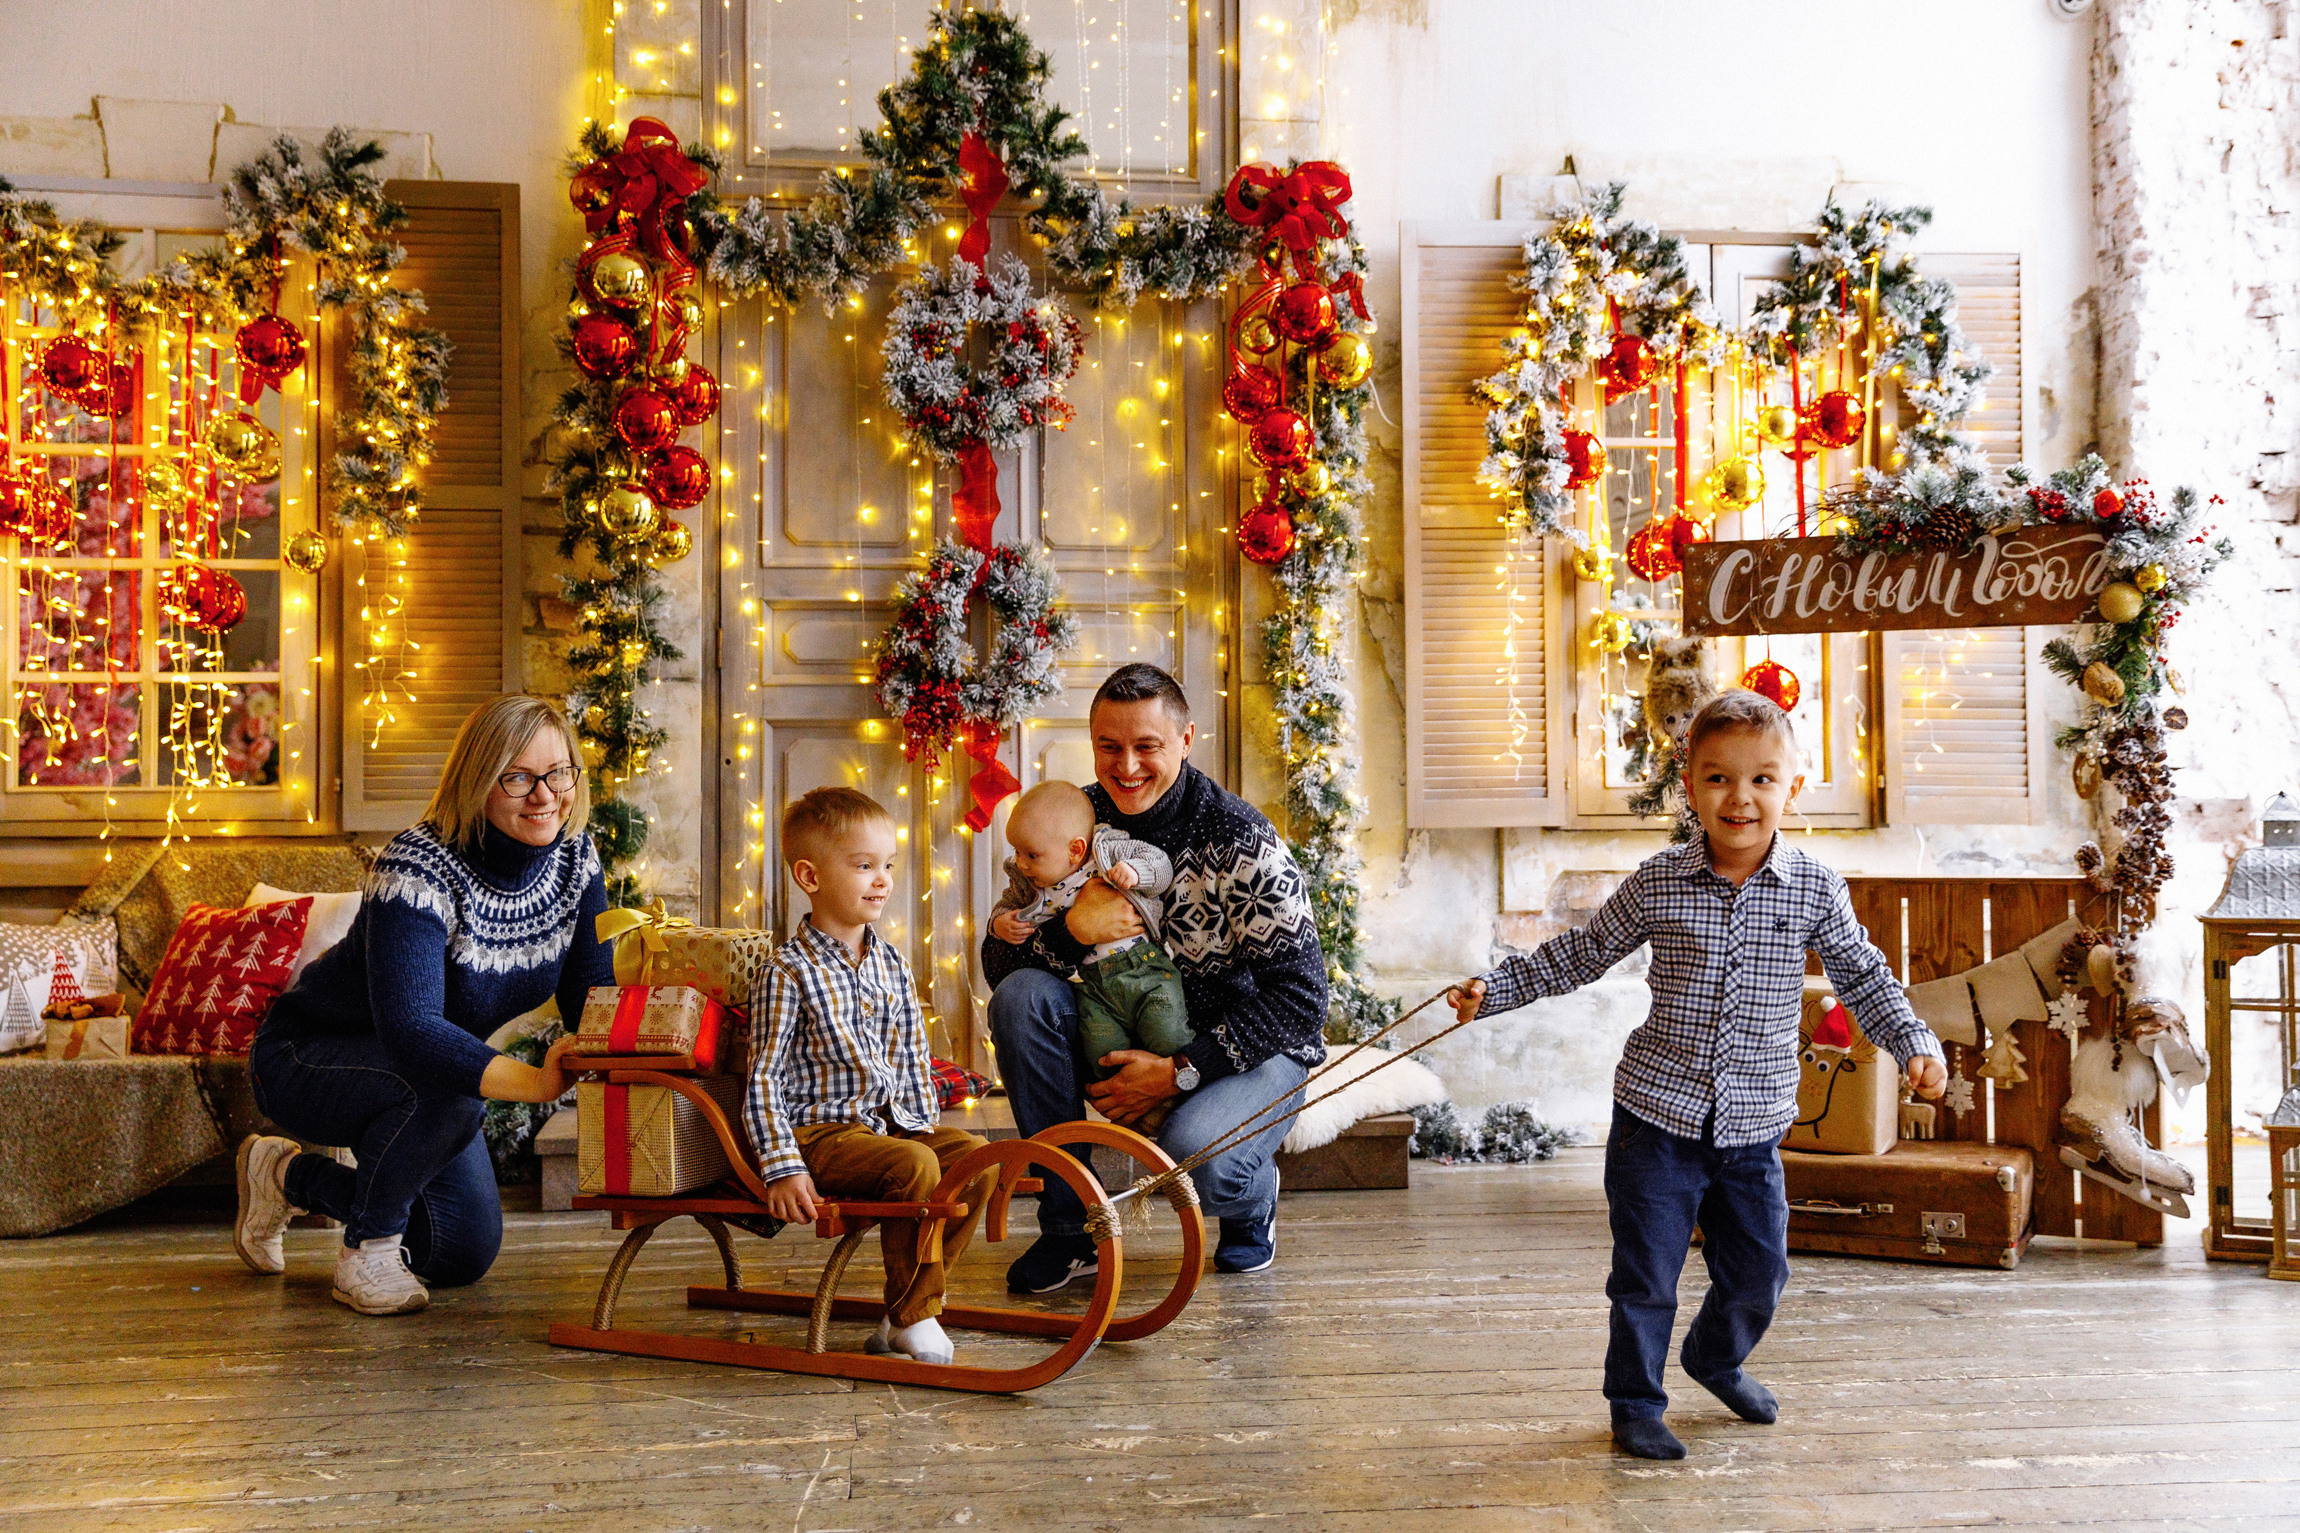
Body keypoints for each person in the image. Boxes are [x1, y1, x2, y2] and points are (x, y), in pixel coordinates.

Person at [1447, 689, 1948, 1460]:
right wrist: (1496, 989)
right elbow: (1579, 952)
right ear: (1690, 786)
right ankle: (1635, 1402)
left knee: (1759, 1271)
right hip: (1657, 1116)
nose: (1739, 797)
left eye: (1760, 779)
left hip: (1751, 1126)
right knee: (1645, 1274)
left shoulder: (1815, 888)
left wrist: (1913, 1039)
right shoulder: (1660, 881)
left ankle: (1716, 1356)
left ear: (1793, 788)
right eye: (1717, 778)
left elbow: (1863, 976)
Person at [235, 695, 609, 1315]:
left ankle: (284, 1176)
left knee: (457, 1253)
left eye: (559, 772)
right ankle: (366, 1253)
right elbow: (412, 1030)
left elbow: (590, 997)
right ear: (476, 781)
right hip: (306, 1058)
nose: (545, 795)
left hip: (428, 1082)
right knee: (443, 1087)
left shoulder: (576, 859)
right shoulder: (416, 865)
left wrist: (638, 1040)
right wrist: (537, 1082)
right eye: (517, 777)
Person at [985, 664, 1328, 1289]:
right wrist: (1073, 932)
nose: (1127, 766)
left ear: (1187, 739)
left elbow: (1303, 1001)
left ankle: (1253, 1196)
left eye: (1147, 746)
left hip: (1246, 1052)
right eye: (1109, 747)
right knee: (1020, 999)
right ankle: (1069, 1230)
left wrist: (1179, 1070)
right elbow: (1000, 964)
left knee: (1201, 1153)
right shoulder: (1068, 821)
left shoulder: (1239, 836)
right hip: (1115, 1023)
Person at [742, 787, 1001, 1367]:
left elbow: (910, 1061)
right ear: (809, 876)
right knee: (915, 1165)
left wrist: (923, 1128)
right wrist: (781, 1167)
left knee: (975, 1160)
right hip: (822, 1136)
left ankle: (907, 1309)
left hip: (887, 1127)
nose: (882, 879)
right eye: (863, 866)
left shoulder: (892, 965)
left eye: (887, 865)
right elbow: (763, 1077)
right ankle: (916, 1315)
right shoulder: (787, 971)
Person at [990, 779, 1192, 1087]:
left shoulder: (1108, 852)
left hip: (1146, 969)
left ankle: (1171, 1096)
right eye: (1016, 852)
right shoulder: (1028, 883)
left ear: (1075, 850)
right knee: (1102, 1056)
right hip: (1092, 987)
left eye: (1031, 855)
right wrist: (1001, 922)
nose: (1021, 863)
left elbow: (1161, 865)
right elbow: (1005, 909)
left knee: (1166, 1034)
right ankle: (1119, 1120)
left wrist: (1137, 872)